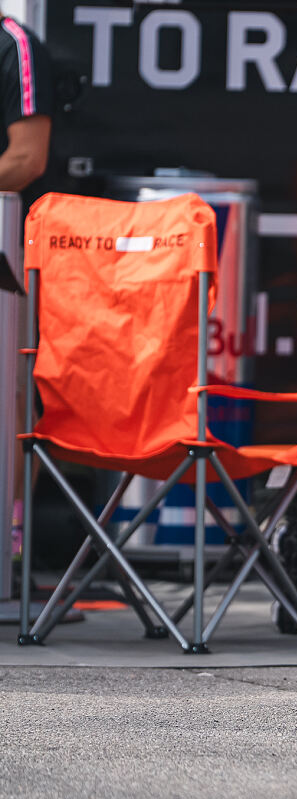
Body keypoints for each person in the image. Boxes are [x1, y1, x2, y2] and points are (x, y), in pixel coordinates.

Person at [0, 13, 51, 558]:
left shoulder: (12, 43)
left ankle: (7, 542)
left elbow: (26, 158)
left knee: (7, 388)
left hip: (11, 242)